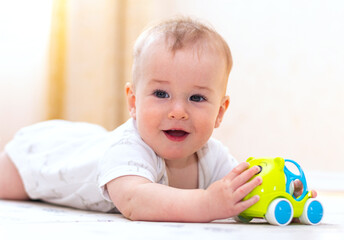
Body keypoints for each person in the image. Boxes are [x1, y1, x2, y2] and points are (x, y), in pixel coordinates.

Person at [0, 17, 315, 222]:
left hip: (91, 143)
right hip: (40, 160)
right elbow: (136, 202)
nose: (178, 111)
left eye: (197, 98)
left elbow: (236, 191)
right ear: (134, 102)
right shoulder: (129, 148)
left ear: (220, 112)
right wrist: (206, 204)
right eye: (161, 95)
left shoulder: (211, 154)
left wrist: (284, 194)